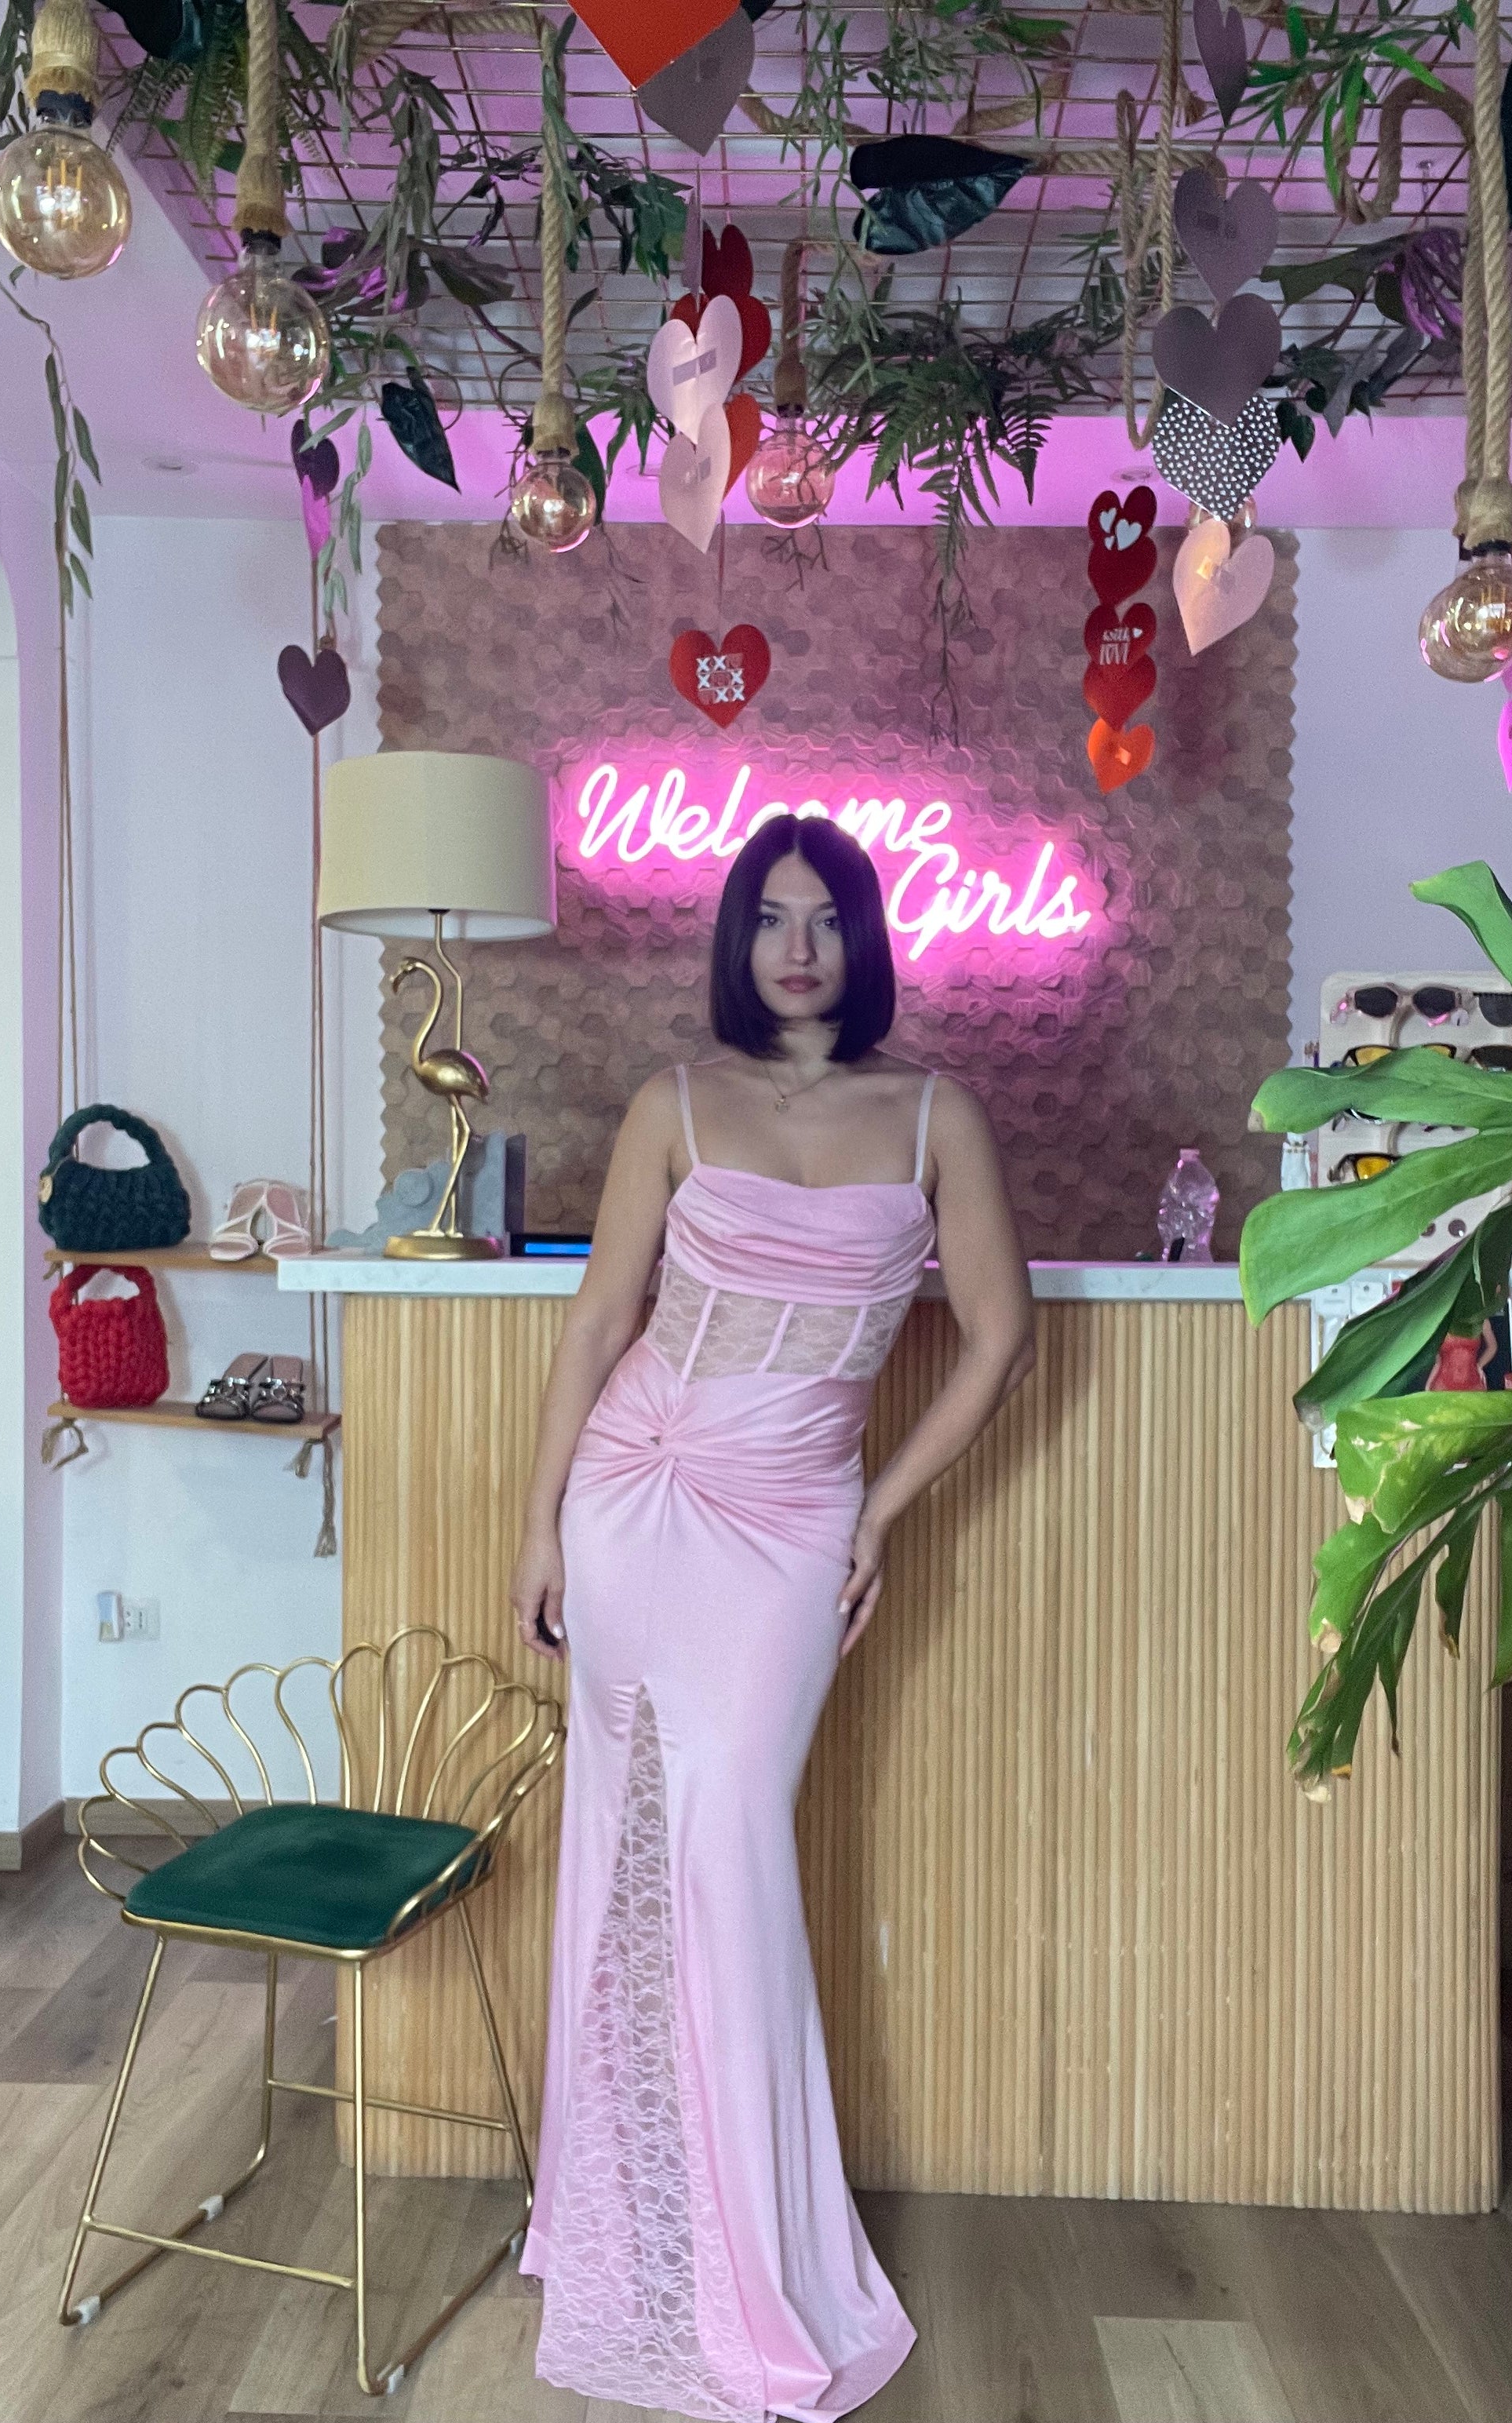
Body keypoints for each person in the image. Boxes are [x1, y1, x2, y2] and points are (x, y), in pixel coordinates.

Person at [508, 813, 1036, 2421]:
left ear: (863, 936)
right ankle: (630, 2223)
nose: (795, 947)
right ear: (736, 938)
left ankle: (758, 2254)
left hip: (797, 1518)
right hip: (633, 1493)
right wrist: (538, 1519)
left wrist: (883, 1509)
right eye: (768, 919)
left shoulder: (936, 1112)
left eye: (822, 918)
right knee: (628, 1846)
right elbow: (601, 1317)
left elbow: (1002, 1333)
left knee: (729, 1840)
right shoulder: (672, 1099)